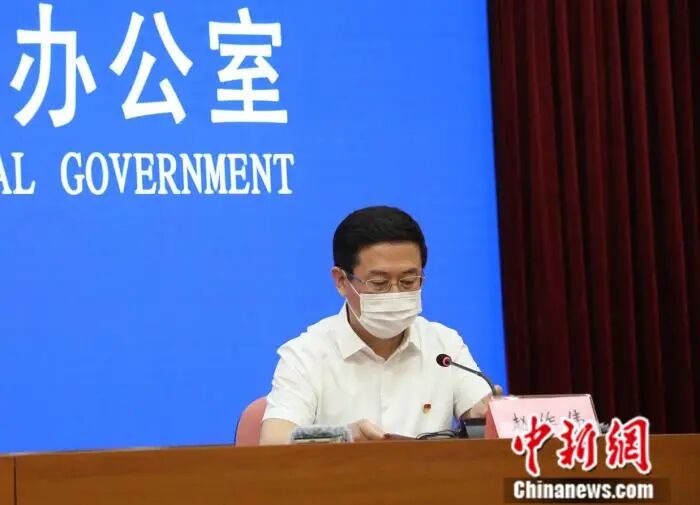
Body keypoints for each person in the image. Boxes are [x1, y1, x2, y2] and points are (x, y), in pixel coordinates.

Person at [259, 206, 500, 445]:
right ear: (341, 281)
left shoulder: (444, 346)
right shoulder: (305, 354)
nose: (395, 293)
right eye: (379, 283)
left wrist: (488, 415)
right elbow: (273, 442)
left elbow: (482, 422)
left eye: (408, 281)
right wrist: (342, 436)